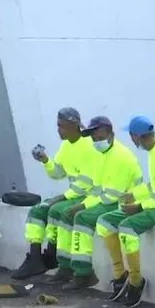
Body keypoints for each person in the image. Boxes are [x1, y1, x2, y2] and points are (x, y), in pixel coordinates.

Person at [95, 116, 155, 308]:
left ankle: (136, 281)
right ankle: (119, 276)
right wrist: (134, 195)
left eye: (131, 137)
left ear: (135, 137)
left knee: (127, 227)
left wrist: (138, 207)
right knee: (105, 223)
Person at [11, 108, 101, 282]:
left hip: (88, 196)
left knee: (57, 210)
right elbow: (58, 173)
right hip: (74, 194)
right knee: (38, 210)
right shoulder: (66, 145)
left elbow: (86, 184)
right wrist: (46, 160)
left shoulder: (89, 146)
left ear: (75, 125)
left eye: (62, 126)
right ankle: (35, 257)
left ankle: (57, 260)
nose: (59, 130)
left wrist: (62, 197)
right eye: (58, 126)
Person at [63, 116, 143, 290]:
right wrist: (84, 203)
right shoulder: (102, 155)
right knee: (74, 215)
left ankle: (86, 273)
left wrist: (83, 205)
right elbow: (98, 191)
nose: (96, 142)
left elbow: (112, 196)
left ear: (112, 135)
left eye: (100, 138)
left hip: (125, 203)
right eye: (94, 139)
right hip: (111, 200)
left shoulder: (121, 157)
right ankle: (78, 271)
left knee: (82, 217)